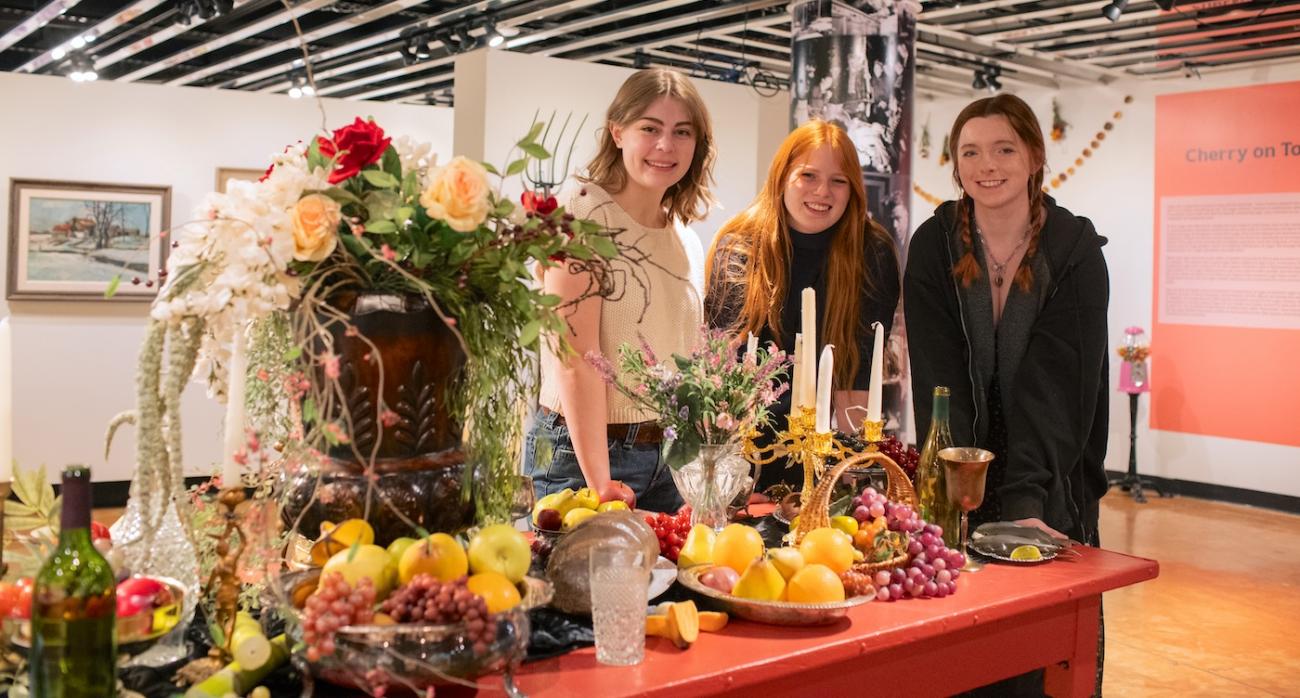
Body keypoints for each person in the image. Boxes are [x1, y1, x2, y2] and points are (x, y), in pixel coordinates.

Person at [904, 94, 1109, 696]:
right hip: (957, 481)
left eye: (1003, 149)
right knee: (960, 658)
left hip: (1048, 478)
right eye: (970, 151)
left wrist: (1028, 500)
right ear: (955, 163)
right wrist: (954, 486)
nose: (986, 165)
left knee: (1040, 658)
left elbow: (1060, 390)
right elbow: (938, 379)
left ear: (1034, 158)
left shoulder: (1074, 252)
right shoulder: (936, 244)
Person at [524, 68, 717, 513]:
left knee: (670, 584)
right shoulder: (580, 219)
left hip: (669, 455)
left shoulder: (686, 237)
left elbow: (686, 359)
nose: (666, 146)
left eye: (682, 132)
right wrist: (599, 482)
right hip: (582, 454)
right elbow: (576, 361)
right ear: (617, 132)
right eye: (650, 128)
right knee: (583, 583)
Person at [704, 119, 900, 492]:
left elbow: (858, 375)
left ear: (853, 190)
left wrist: (846, 481)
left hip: (829, 449)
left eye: (838, 181)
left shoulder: (870, 253)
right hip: (746, 451)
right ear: (781, 178)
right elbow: (723, 371)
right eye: (808, 175)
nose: (822, 191)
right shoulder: (738, 246)